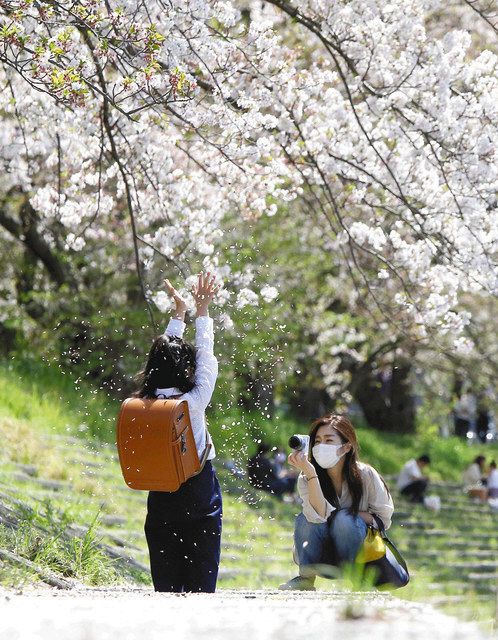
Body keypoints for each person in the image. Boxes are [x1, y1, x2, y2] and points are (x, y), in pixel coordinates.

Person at [133, 272, 222, 593]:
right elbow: (206, 353)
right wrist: (201, 310)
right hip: (199, 492)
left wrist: (178, 314)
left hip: (160, 494)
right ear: (187, 366)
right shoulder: (193, 401)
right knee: (200, 589)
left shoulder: (145, 403)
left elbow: (161, 355)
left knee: (167, 588)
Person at [279, 414, 394, 591]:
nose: (321, 446)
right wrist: (311, 473)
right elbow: (316, 515)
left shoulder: (366, 475)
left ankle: (358, 579)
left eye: (328, 440)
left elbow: (383, 518)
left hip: (358, 550)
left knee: (345, 520)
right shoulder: (306, 476)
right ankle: (306, 578)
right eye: (317, 441)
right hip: (322, 551)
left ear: (347, 447)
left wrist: (344, 516)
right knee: (304, 519)